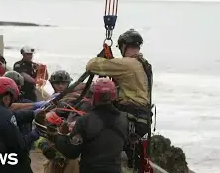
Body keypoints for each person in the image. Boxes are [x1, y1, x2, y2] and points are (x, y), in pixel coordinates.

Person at [86, 29, 153, 169]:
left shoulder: (128, 64)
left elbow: (91, 65)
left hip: (129, 116)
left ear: (124, 46)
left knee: (90, 121)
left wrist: (102, 57)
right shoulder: (144, 64)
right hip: (142, 119)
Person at [48, 78, 128, 173]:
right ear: (114, 96)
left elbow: (72, 152)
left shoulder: (85, 120)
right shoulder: (124, 118)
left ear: (94, 96)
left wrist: (56, 137)